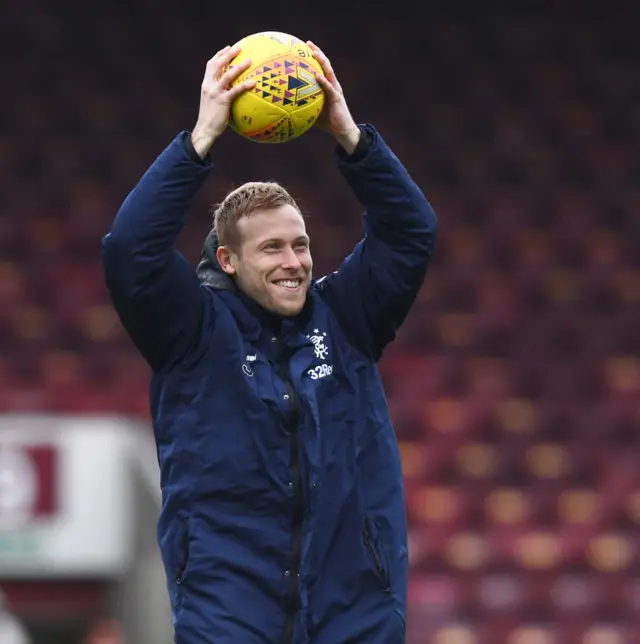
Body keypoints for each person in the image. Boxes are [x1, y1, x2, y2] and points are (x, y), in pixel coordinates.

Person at [102, 40, 438, 644]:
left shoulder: (347, 318)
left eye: (301, 244)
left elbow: (411, 233)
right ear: (227, 259)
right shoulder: (191, 333)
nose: (295, 262)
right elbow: (130, 251)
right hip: (229, 612)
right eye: (273, 248)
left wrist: (350, 136)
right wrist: (200, 139)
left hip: (353, 608)